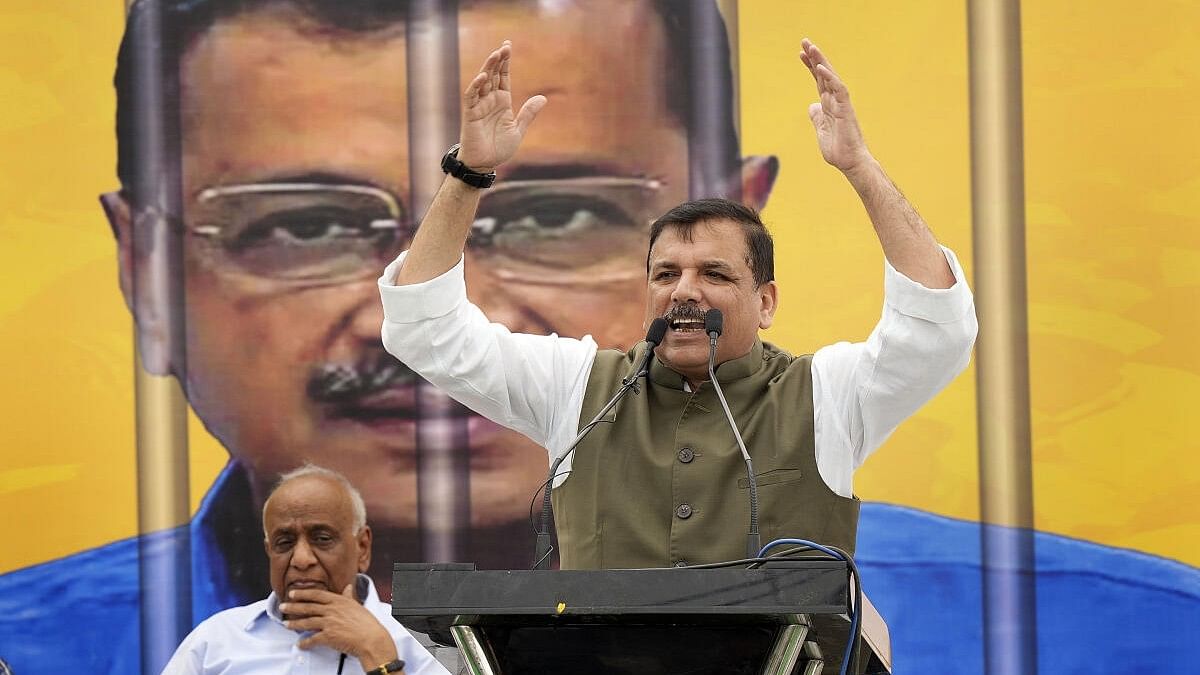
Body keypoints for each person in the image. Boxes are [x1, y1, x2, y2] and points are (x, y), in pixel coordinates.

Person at [0, 1, 764, 670]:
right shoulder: (30, 647)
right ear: (148, 276)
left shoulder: (857, 604)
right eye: (307, 226)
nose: (422, 332)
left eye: (555, 217)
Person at [380, 40, 977, 566]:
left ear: (765, 301)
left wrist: (860, 168)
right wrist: (468, 174)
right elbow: (425, 329)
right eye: (666, 274)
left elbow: (935, 331)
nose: (684, 291)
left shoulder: (826, 396)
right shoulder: (579, 389)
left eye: (713, 274)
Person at [163, 464, 447, 674]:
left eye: (322, 539)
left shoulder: (417, 641)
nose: (301, 559)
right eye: (284, 542)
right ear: (268, 552)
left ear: (362, 547)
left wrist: (377, 653)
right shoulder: (216, 639)